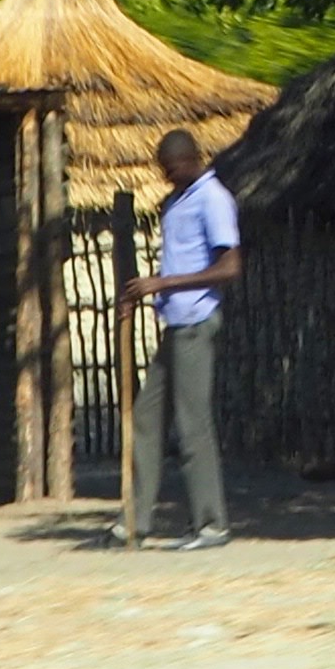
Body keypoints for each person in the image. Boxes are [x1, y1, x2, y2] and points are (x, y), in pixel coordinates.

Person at [129, 125, 239, 549]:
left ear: (194, 160)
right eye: (164, 171)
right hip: (175, 324)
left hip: (196, 323)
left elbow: (229, 267)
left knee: (192, 425)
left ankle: (211, 524)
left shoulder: (213, 199)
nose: (167, 178)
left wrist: (164, 283)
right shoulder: (178, 201)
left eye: (173, 170)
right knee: (146, 416)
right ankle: (135, 521)